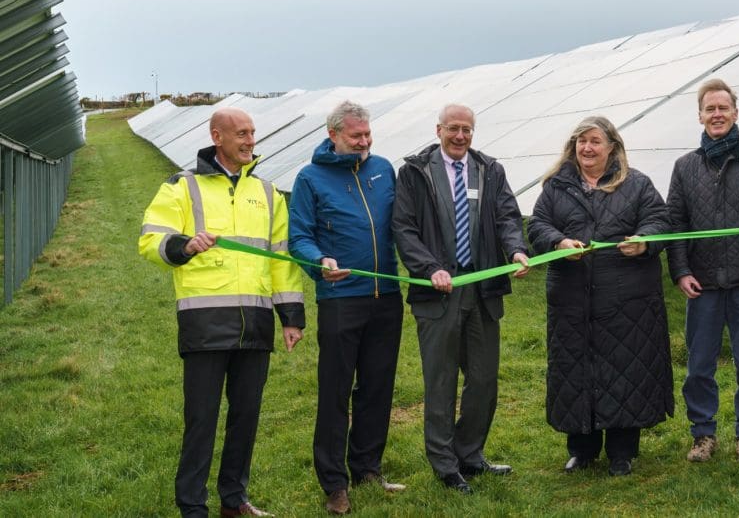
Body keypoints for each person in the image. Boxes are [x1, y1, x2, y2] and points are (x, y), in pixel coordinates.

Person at [139, 107, 305, 518]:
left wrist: (291, 316)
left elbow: (280, 258)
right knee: (202, 419)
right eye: (241, 134)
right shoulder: (182, 187)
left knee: (246, 417)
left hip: (255, 322)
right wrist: (183, 246)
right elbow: (149, 240)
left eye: (253, 132)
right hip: (205, 322)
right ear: (218, 137)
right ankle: (192, 505)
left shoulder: (267, 193)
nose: (250, 140)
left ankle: (234, 499)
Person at [392, 104, 531, 494]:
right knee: (441, 380)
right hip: (438, 292)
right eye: (453, 128)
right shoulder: (415, 173)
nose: (460, 136)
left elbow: (507, 216)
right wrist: (428, 267)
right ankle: (445, 464)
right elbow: (403, 228)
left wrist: (517, 249)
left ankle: (471, 453)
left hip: (482, 288)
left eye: (467, 130)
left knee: (484, 378)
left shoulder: (489, 169)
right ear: (438, 130)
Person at [527, 116, 674, 477]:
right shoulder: (556, 186)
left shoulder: (636, 184)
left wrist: (643, 242)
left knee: (625, 369)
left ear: (612, 147)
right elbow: (537, 224)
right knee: (576, 370)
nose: (587, 148)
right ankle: (582, 449)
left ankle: (622, 451)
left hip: (625, 298)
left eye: (595, 141)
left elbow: (660, 221)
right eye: (581, 141)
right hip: (572, 298)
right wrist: (559, 243)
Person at [288, 101, 405, 514]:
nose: (364, 141)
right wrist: (319, 262)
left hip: (387, 297)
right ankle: (335, 483)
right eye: (356, 136)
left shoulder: (383, 170)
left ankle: (368, 466)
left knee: (377, 387)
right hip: (341, 300)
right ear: (334, 134)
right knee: (336, 392)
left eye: (367, 134)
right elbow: (298, 236)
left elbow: (403, 225)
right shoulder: (310, 179)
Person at [666, 79, 739, 463]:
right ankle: (703, 434)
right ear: (700, 116)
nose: (717, 115)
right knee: (699, 365)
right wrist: (681, 270)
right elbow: (675, 224)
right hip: (703, 282)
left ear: (736, 112)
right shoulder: (684, 167)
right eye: (710, 109)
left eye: (723, 108)